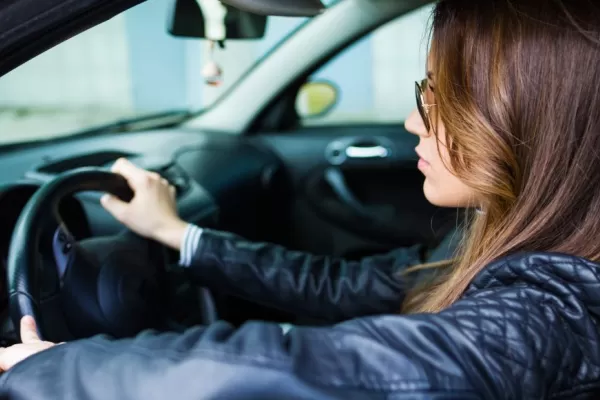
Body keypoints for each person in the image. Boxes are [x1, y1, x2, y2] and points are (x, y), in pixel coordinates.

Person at [1, 0, 600, 398]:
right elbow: (351, 286)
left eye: (444, 97)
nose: (412, 121)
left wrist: (53, 371)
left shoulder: (563, 313)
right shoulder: (509, 235)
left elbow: (322, 374)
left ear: (534, 123)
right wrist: (177, 234)